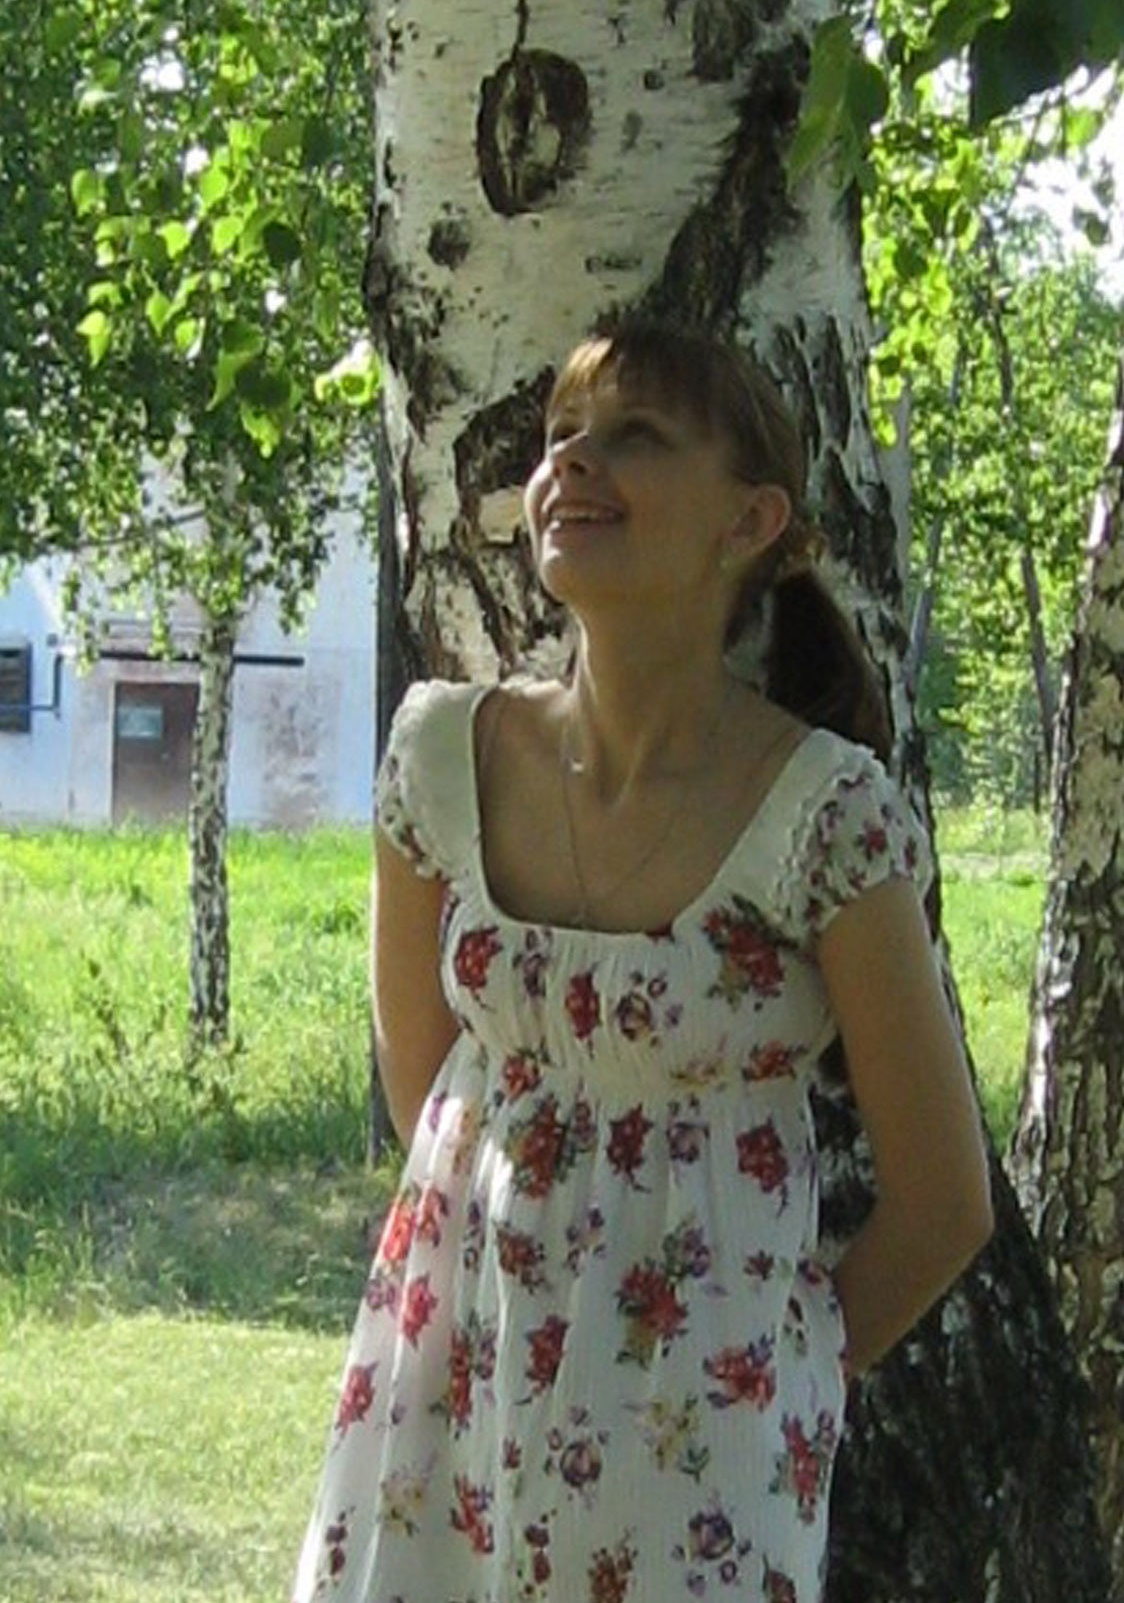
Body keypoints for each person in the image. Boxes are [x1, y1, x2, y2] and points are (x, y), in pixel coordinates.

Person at [292, 321, 993, 1603]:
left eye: (635, 436)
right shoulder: (438, 762)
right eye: (561, 436)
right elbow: (426, 1093)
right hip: (450, 1391)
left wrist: (774, 1371)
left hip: (698, 1450)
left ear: (748, 520)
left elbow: (944, 1200)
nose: (573, 463)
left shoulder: (822, 815)